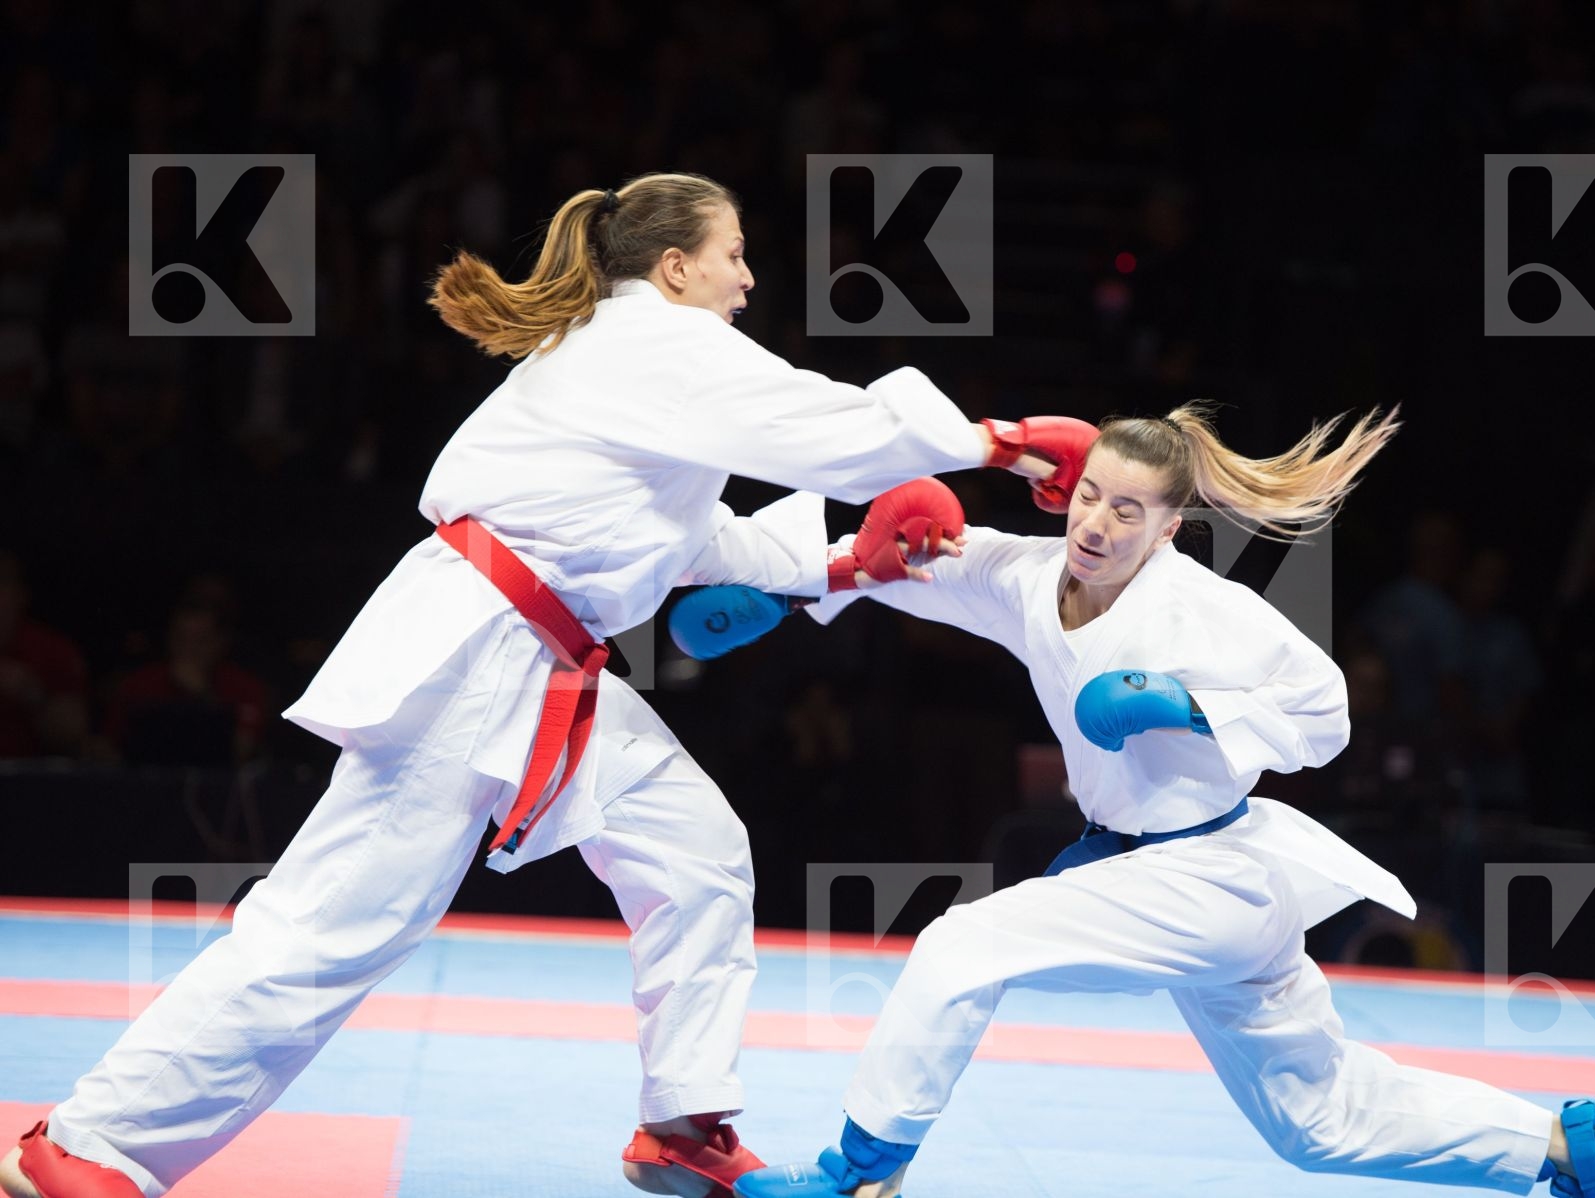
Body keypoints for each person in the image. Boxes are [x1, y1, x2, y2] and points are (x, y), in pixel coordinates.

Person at [0, 172, 1097, 1198]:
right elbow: (832, 429)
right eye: (735, 256)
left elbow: (682, 533)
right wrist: (997, 443)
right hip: (478, 654)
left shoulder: (639, 363)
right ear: (675, 268)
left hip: (537, 656)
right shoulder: (659, 345)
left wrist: (840, 565)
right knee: (328, 929)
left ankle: (681, 1126)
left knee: (700, 856)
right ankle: (87, 1146)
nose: (749, 280)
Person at [679, 404, 1595, 1198]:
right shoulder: (1028, 573)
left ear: (1171, 527)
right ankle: (1561, 1146)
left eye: (1129, 511)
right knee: (1318, 1122)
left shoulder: (1203, 612)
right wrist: (802, 583)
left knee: (961, 946)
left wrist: (1188, 705)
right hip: (1160, 876)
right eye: (1091, 496)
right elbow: (913, 562)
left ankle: (861, 1175)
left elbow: (1328, 714)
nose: (1097, 525)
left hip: (1209, 869)